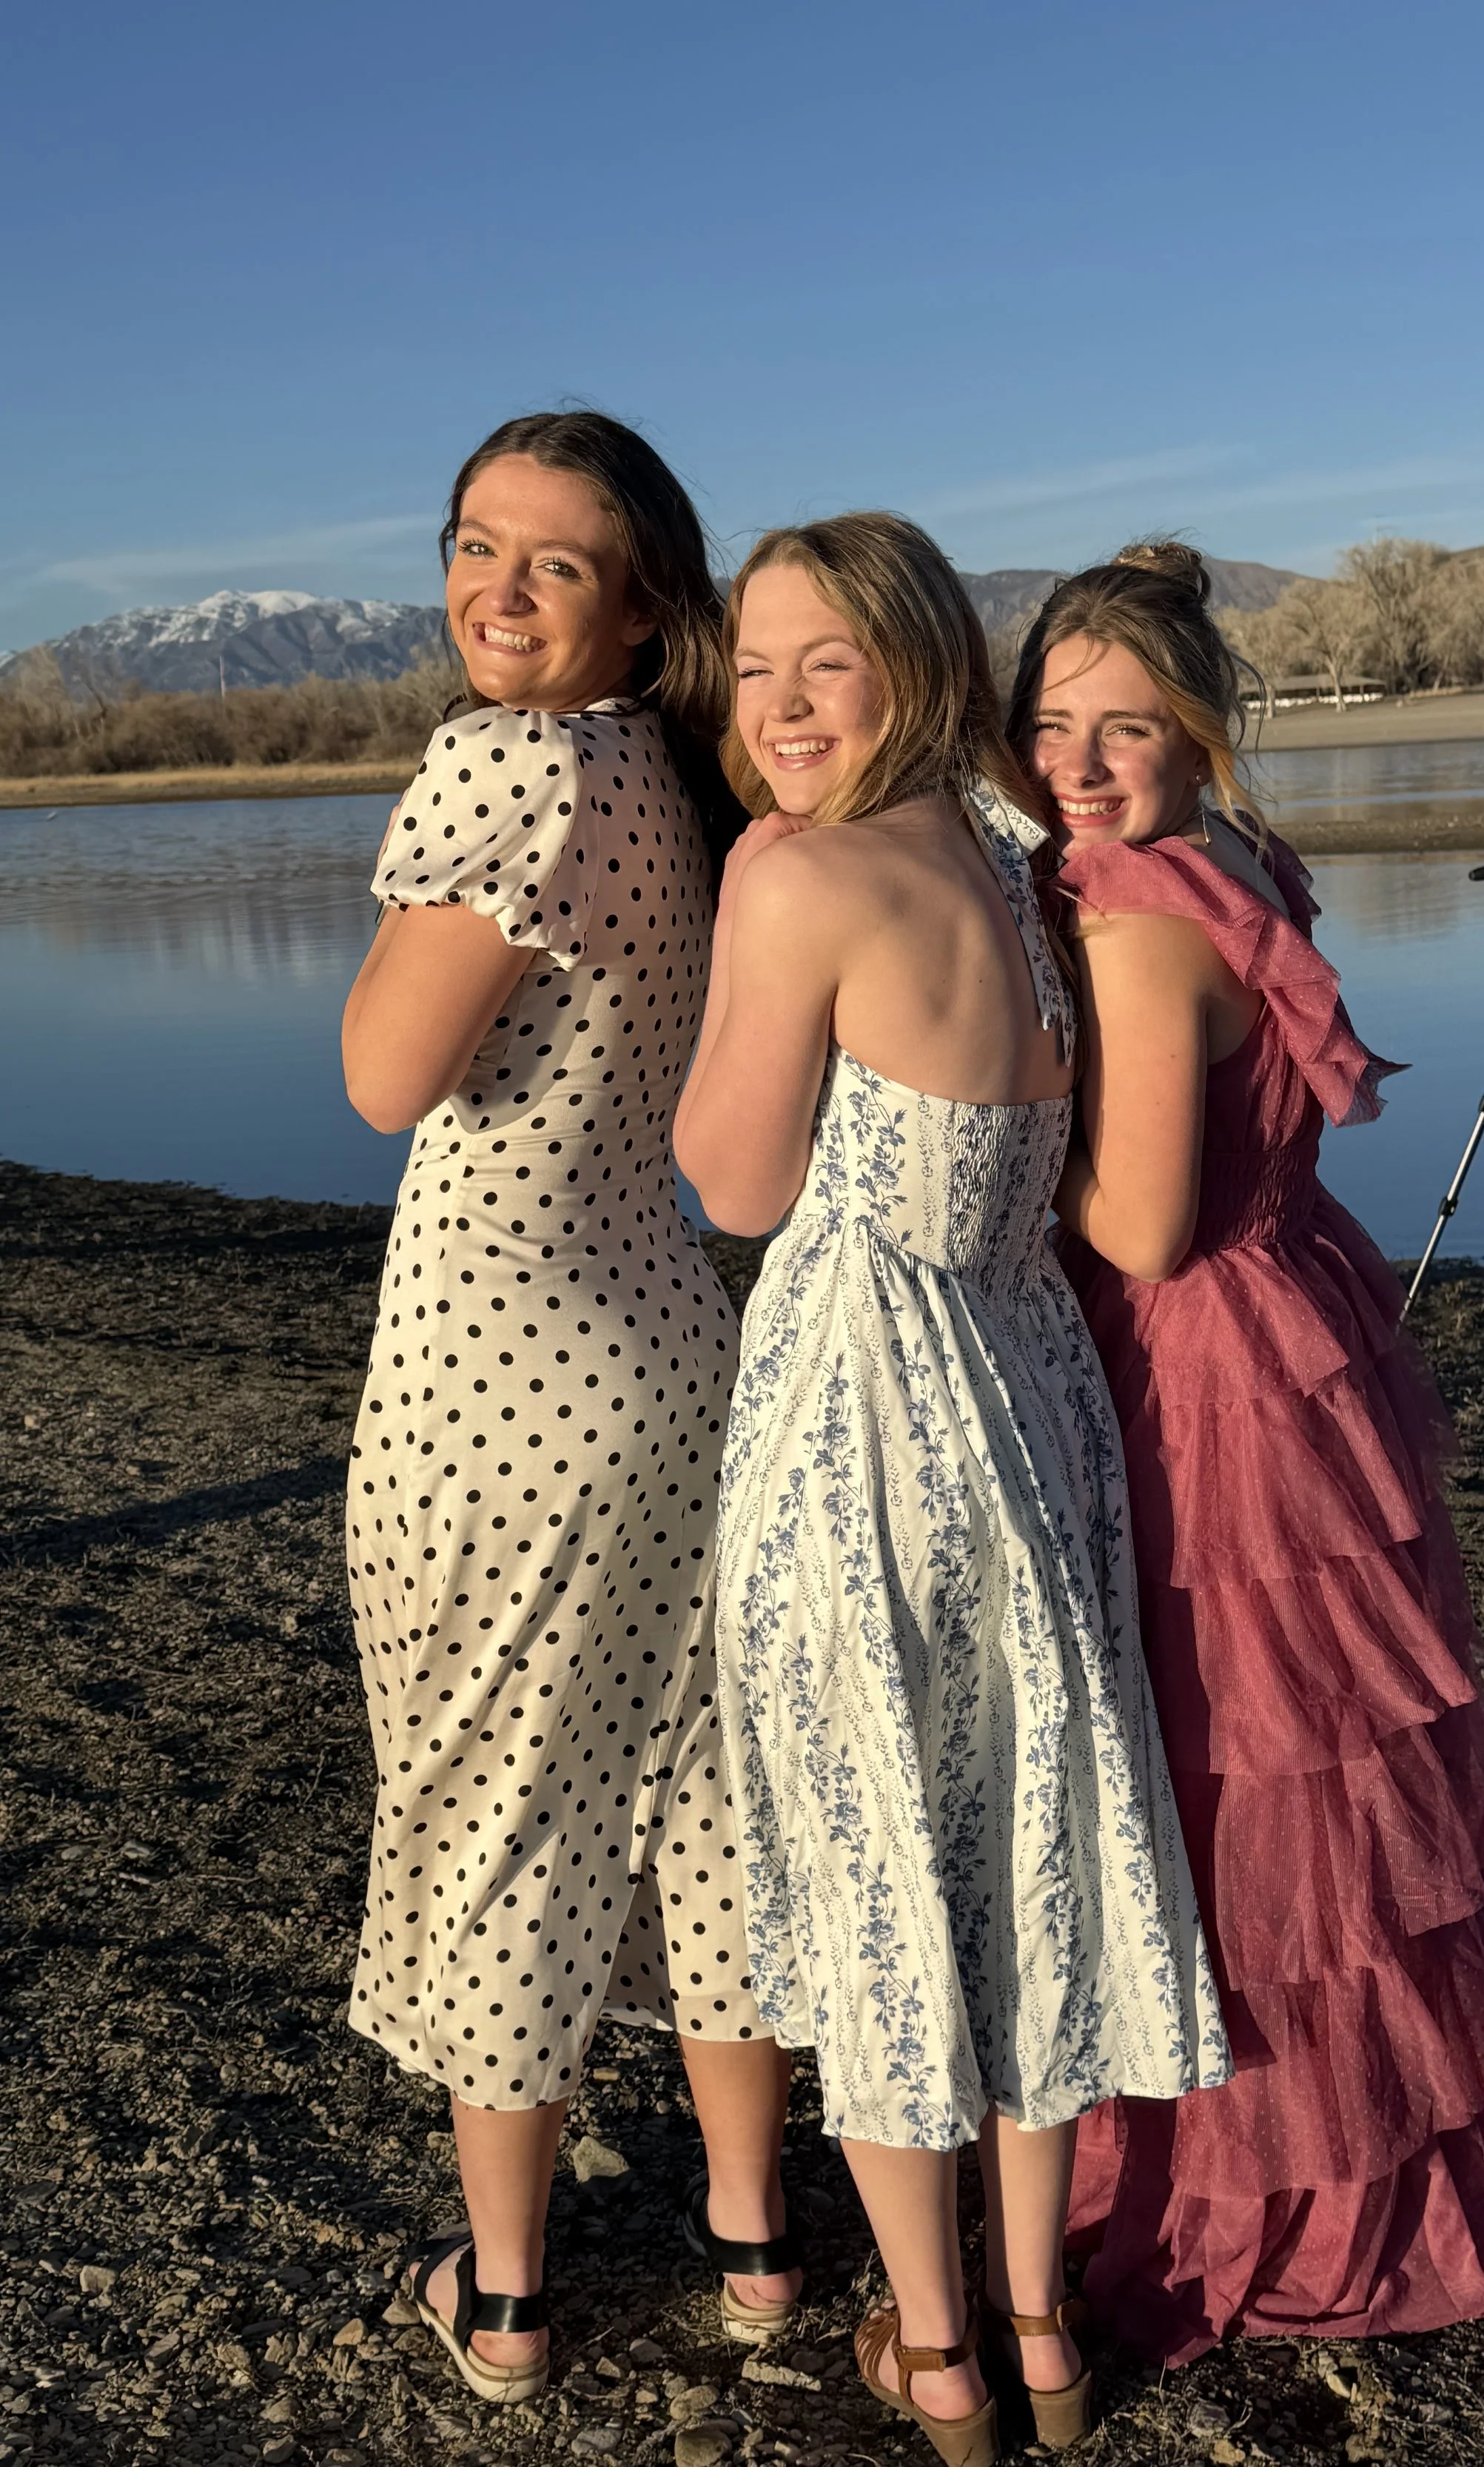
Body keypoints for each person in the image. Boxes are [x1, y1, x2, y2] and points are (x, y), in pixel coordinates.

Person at [1008, 542, 1484, 2357]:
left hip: (1197, 1365)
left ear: (1199, 731)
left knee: (1243, 1775)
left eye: (1126, 728)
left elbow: (1136, 1227)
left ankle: (1273, 2185)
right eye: (1050, 725)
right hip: (1297, 1316)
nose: (1079, 765)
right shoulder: (1243, 861)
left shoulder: (1132, 920)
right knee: (1326, 1763)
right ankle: (1395, 2136)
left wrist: (986, 1149)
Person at [674, 514, 1226, 2466]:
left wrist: (737, 921)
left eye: (822, 661)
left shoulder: (799, 872)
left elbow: (737, 1179)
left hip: (861, 1412)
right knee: (1023, 1859)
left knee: (879, 1873)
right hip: (1029, 1394)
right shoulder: (1010, 854)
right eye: (753, 665)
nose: (778, 704)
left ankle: (936, 2352)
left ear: (910, 666)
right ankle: (1041, 2327)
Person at [340, 413, 799, 2406]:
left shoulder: (511, 764)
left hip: (496, 1390)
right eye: (473, 544)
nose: (495, 589)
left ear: (641, 607)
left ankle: (510, 2296)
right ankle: (753, 2241)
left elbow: (383, 1073)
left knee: (498, 1817)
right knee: (705, 1799)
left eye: (553, 561)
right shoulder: (680, 788)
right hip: (676, 1357)